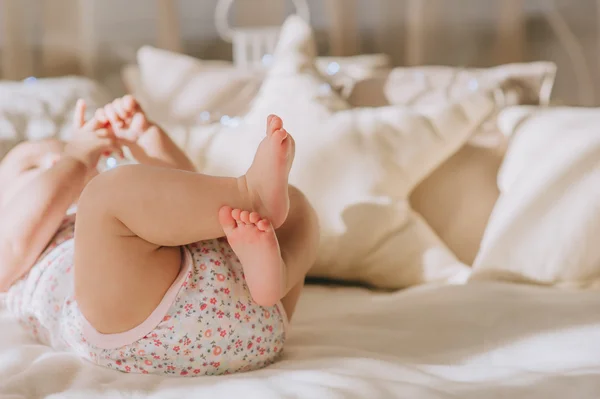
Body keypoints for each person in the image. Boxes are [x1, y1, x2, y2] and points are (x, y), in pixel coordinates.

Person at [0, 96, 319, 376]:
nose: (56, 162)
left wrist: (147, 139)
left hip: (249, 307)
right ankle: (249, 196)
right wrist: (74, 159)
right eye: (34, 165)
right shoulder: (24, 240)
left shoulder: (121, 224)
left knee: (296, 207)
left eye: (59, 157)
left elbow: (194, 189)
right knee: (107, 193)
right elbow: (12, 247)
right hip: (131, 323)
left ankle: (271, 275)